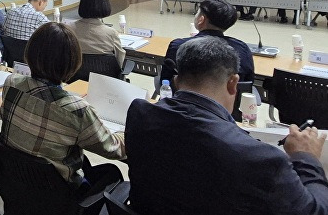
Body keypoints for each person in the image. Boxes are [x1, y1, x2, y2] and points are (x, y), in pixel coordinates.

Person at [125, 37, 328, 215]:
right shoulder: (262, 159)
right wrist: (306, 158)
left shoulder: (139, 113)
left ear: (176, 81)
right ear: (233, 83)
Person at [0, 22, 124, 198]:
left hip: (15, 185)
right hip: (58, 195)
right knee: (111, 173)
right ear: (73, 63)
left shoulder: (11, 83)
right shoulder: (77, 110)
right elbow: (113, 149)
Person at [160, 0, 254, 87]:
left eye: (197, 13)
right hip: (230, 102)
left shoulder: (179, 46)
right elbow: (248, 83)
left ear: (201, 19)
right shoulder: (242, 48)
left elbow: (165, 82)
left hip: (185, 102)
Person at [66, 0, 125, 66]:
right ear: (105, 6)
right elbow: (120, 59)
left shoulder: (68, 29)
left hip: (75, 75)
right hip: (103, 76)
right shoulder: (111, 33)